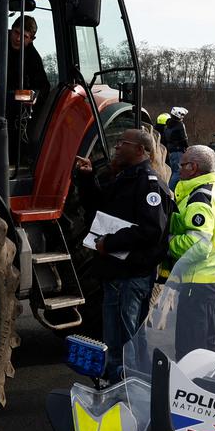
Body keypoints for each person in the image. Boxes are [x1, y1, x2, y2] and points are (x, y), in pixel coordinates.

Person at [72, 130, 170, 380]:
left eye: (122, 143)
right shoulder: (122, 179)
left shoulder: (149, 184)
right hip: (114, 272)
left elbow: (151, 231)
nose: (116, 147)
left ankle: (131, 388)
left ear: (140, 150)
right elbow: (97, 207)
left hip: (132, 276)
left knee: (127, 341)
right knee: (113, 340)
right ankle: (116, 384)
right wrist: (86, 177)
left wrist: (110, 243)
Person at [163, 144, 215, 358]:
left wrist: (166, 243)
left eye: (181, 164)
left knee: (190, 349)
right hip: (213, 279)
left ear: (193, 167)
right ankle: (205, 383)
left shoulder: (199, 199)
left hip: (197, 282)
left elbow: (198, 245)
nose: (178, 168)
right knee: (205, 344)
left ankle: (190, 387)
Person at [7, 16, 49, 98]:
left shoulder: (33, 58)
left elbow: (42, 89)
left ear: (31, 39)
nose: (18, 39)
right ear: (11, 29)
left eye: (24, 36)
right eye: (16, 32)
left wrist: (24, 96)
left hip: (12, 100)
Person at [157, 107, 190, 186]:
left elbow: (165, 139)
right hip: (178, 151)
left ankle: (170, 187)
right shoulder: (180, 125)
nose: (183, 116)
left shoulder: (167, 125)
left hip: (171, 152)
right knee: (178, 172)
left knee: (173, 171)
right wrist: (187, 148)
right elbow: (184, 139)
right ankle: (170, 190)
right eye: (182, 115)